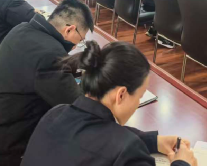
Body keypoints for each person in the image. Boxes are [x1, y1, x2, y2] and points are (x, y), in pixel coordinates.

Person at [21, 41, 197, 167]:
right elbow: (113, 140)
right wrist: (182, 163)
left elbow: (99, 133)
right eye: (139, 96)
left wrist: (152, 141)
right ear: (121, 94)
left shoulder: (55, 114)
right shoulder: (126, 151)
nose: (137, 103)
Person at [0, 0, 94, 166]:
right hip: (10, 154)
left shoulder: (22, 29)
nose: (76, 46)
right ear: (69, 29)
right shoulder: (50, 54)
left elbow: (49, 66)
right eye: (80, 39)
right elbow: (77, 106)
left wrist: (78, 68)